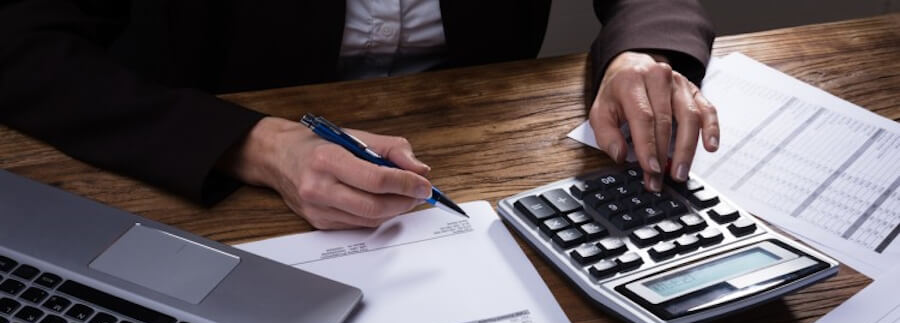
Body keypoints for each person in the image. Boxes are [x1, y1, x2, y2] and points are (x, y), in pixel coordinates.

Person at [0, 1, 718, 229]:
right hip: (198, 191)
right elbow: (18, 44)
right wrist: (249, 142)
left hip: (473, 162)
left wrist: (642, 53)